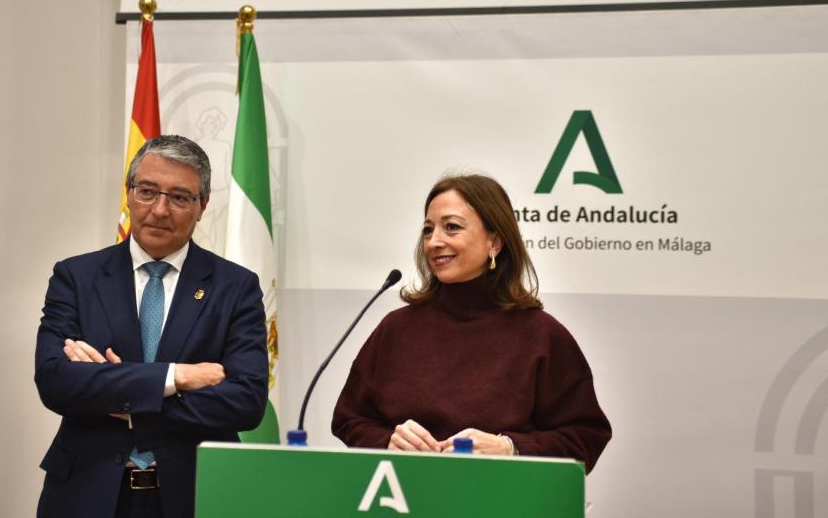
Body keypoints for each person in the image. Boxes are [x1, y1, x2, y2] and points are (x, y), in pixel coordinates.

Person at [34, 135, 268, 518]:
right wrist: (177, 377)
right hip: (85, 494)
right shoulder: (77, 276)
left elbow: (245, 401)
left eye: (179, 197)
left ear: (202, 206)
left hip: (193, 496)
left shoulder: (235, 287)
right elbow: (56, 382)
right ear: (128, 194)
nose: (160, 209)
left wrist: (121, 398)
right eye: (147, 191)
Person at [332, 174, 611, 471]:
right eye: (428, 230)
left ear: (494, 242)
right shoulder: (395, 329)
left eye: (451, 227)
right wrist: (387, 441)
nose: (434, 241)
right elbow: (350, 419)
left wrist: (511, 448)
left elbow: (586, 436)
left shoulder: (542, 335)